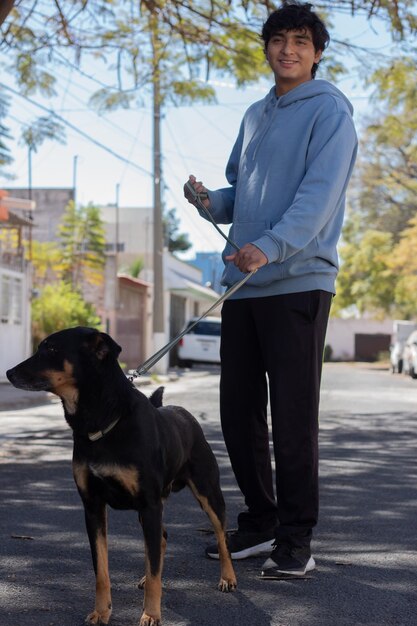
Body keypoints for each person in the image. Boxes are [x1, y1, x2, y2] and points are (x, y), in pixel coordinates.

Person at [184, 1, 357, 578]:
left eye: (301, 41)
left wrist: (272, 246)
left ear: (317, 52)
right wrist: (210, 202)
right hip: (246, 285)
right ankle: (259, 521)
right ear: (266, 47)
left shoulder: (329, 110)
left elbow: (318, 196)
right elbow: (244, 194)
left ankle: (296, 540)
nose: (289, 49)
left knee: (292, 415)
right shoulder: (256, 114)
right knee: (238, 412)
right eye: (280, 39)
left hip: (297, 281)